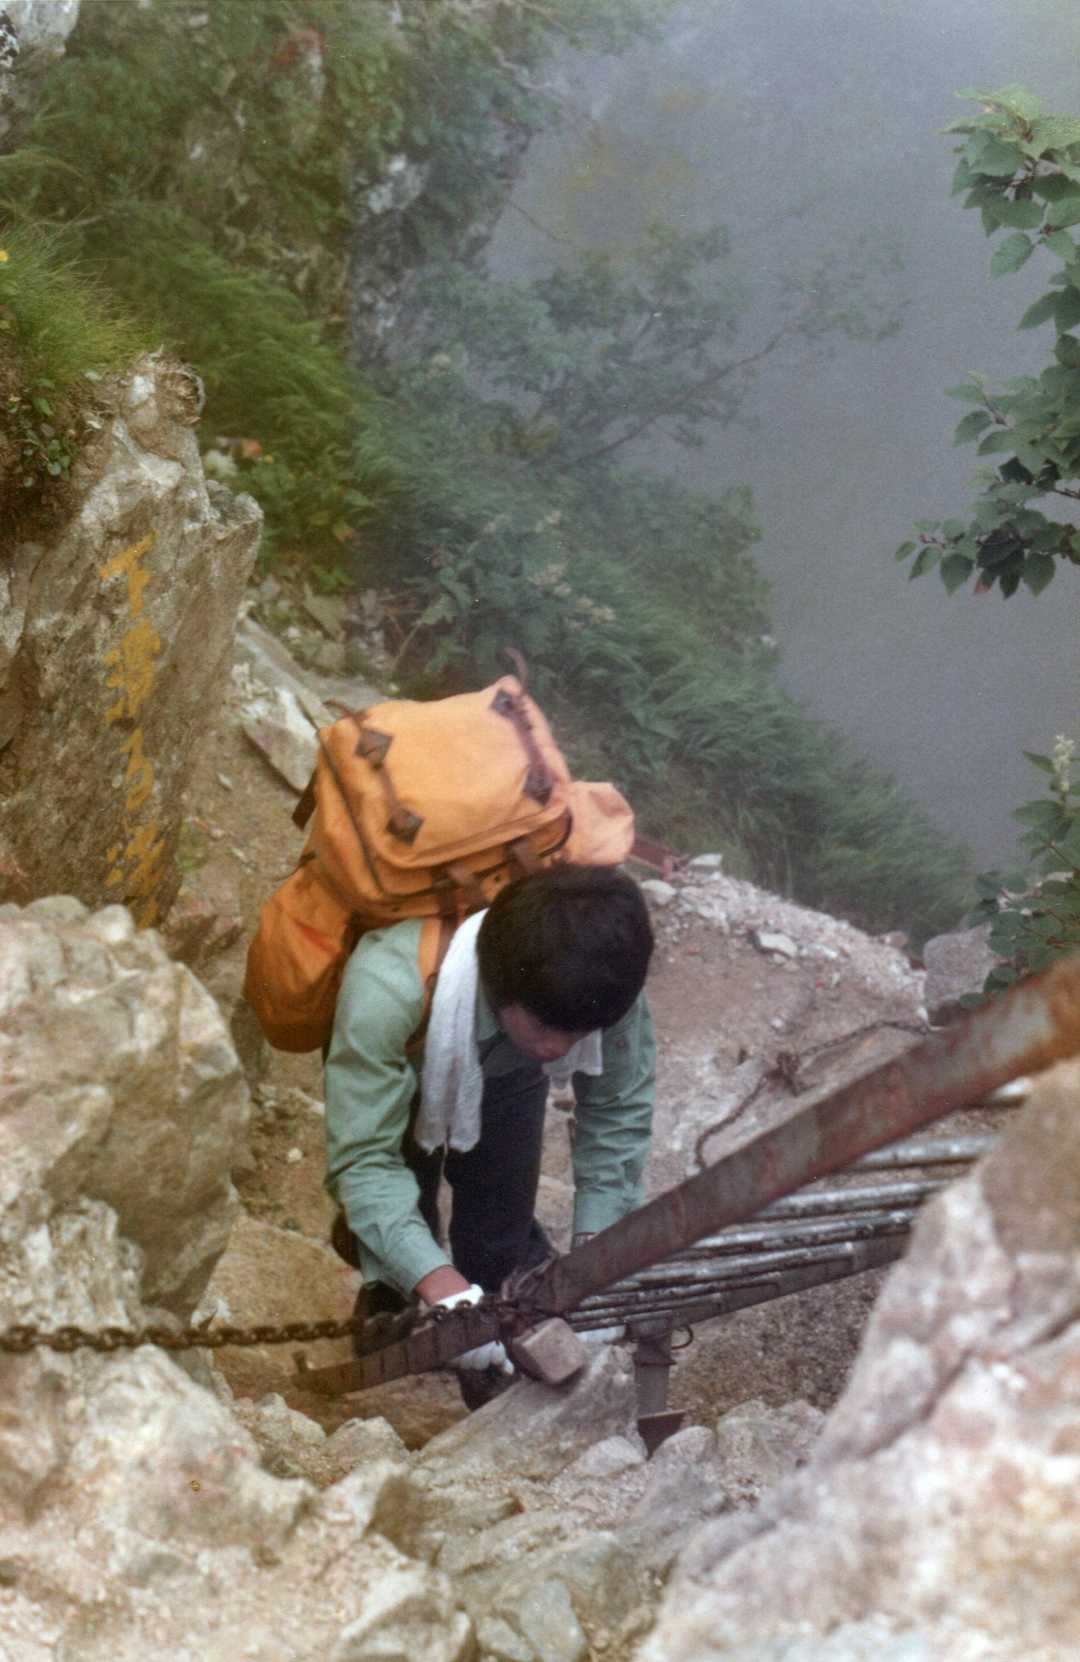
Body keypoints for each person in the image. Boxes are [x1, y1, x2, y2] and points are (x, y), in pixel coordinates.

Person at [323, 863, 655, 1395]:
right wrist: (444, 1291)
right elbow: (364, 1161)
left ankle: (494, 1361)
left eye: (579, 1035)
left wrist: (597, 1263)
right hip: (407, 1058)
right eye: (545, 1027)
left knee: (499, 1224)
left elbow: (617, 1116)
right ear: (500, 988)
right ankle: (391, 1292)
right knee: (401, 1204)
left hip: (510, 1074)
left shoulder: (602, 987)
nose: (558, 1050)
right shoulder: (386, 990)